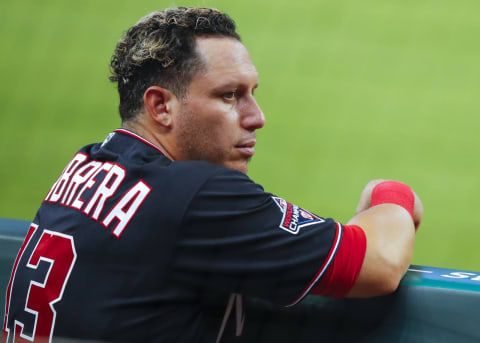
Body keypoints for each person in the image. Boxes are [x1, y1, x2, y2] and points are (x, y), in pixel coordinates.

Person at [2, 7, 423, 343]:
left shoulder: (87, 166)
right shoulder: (195, 194)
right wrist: (391, 194)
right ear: (161, 106)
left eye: (252, 93)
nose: (256, 117)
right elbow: (379, 264)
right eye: (229, 96)